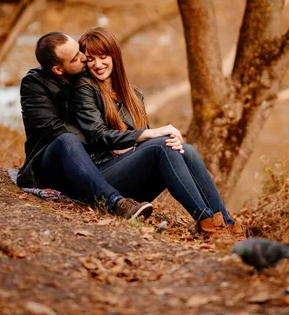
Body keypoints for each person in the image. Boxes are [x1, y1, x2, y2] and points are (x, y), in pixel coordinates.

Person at [72, 26, 243, 240]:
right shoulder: (84, 88)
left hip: (130, 183)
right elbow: (98, 135)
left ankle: (226, 222)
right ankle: (207, 222)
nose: (97, 64)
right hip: (102, 180)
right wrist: (142, 136)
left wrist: (138, 144)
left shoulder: (134, 95)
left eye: (103, 56)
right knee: (162, 144)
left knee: (185, 150)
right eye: (89, 59)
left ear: (114, 55)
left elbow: (141, 146)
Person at [17, 31, 153, 220]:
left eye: (79, 50)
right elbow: (53, 128)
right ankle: (116, 203)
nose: (84, 57)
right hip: (48, 164)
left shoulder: (86, 76)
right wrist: (109, 142)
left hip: (89, 162)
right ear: (58, 69)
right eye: (76, 57)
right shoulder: (34, 84)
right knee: (66, 139)